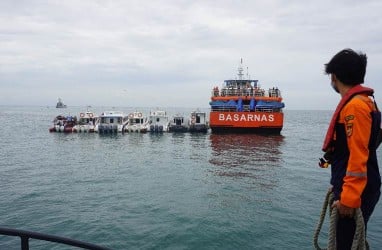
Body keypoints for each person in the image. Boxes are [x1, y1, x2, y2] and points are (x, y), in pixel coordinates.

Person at [321, 48, 381, 249]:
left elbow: (358, 154)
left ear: (334, 76)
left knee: (345, 245)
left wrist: (349, 197)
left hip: (357, 193)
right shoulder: (366, 102)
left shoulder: (354, 107)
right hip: (361, 186)